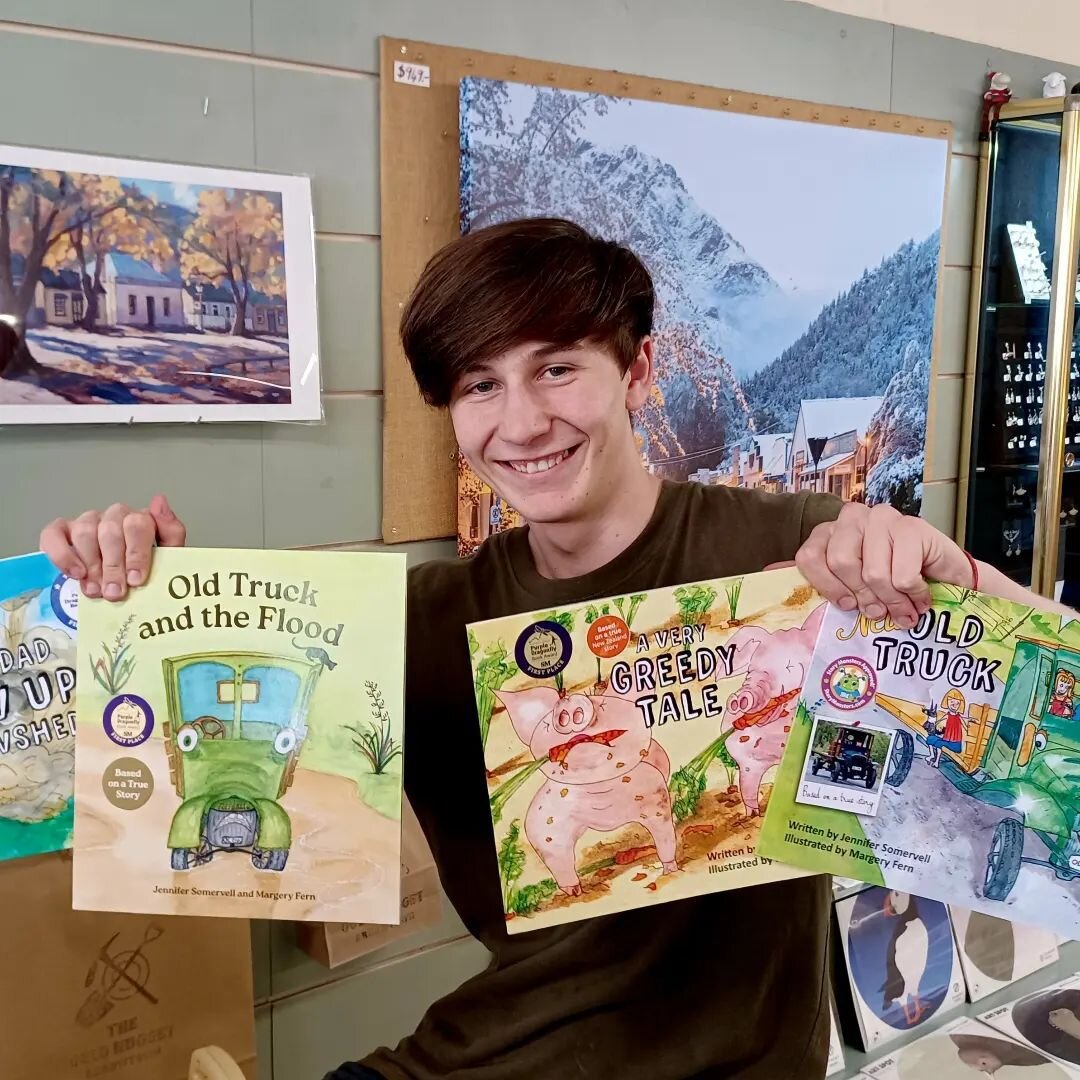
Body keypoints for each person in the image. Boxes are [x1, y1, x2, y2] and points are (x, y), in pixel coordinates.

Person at [40, 218, 1076, 1079]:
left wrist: (960, 578)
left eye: (557, 368)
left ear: (639, 370)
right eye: (478, 386)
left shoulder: (788, 562)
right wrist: (137, 597)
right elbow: (207, 794)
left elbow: (1050, 749)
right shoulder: (428, 621)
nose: (521, 420)